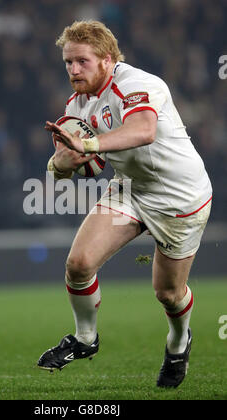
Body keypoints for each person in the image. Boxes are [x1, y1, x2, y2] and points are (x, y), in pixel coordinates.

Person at [37, 20, 212, 388]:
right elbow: (78, 165)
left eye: (82, 61)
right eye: (68, 62)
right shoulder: (78, 104)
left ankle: (178, 342)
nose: (73, 69)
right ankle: (85, 340)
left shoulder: (138, 84)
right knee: (79, 264)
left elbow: (143, 131)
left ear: (106, 59)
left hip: (181, 198)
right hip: (131, 189)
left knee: (167, 293)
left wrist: (86, 147)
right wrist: (59, 166)